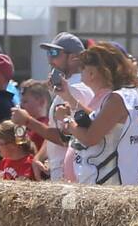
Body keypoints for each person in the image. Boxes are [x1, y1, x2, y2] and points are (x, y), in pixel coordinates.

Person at [56, 42, 133, 185]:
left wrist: (67, 120)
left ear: (93, 73)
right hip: (91, 180)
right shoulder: (109, 97)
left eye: (83, 68)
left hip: (104, 182)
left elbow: (90, 137)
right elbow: (95, 120)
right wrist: (68, 97)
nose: (81, 72)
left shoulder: (114, 99)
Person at [35, 33, 94, 181]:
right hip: (61, 170)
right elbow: (55, 129)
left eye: (54, 53)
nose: (50, 58)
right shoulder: (68, 87)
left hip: (70, 172)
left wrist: (27, 121)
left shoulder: (77, 89)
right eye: (48, 53)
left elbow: (66, 138)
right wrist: (40, 157)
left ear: (74, 57)